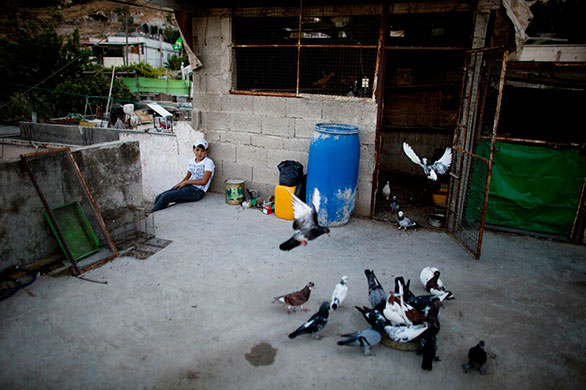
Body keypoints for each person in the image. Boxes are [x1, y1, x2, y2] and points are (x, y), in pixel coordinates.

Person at [150, 139, 215, 212]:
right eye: (197, 150)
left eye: (202, 151)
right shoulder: (191, 161)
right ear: (193, 150)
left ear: (206, 151)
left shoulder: (208, 162)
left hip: (197, 191)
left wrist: (186, 182)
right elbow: (188, 176)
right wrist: (180, 183)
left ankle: (152, 213)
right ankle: (155, 212)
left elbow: (204, 181)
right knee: (159, 197)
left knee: (166, 197)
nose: (199, 153)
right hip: (187, 186)